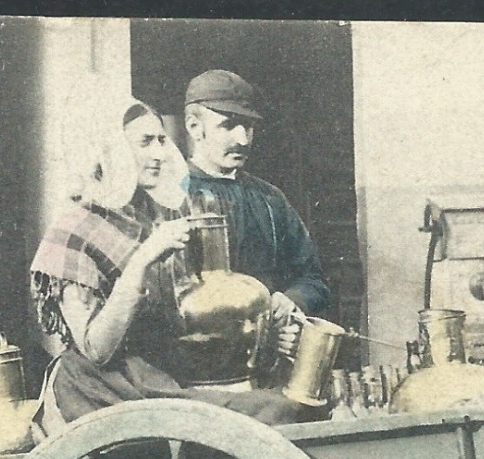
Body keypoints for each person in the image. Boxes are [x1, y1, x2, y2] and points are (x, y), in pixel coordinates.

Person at [29, 99, 300, 426]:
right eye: (145, 142)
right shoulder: (73, 231)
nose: (159, 153)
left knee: (280, 406)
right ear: (110, 149)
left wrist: (268, 327)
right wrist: (144, 257)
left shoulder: (157, 216)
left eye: (161, 140)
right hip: (102, 391)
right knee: (269, 414)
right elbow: (96, 349)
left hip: (160, 378)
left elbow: (188, 320)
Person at [181, 69, 333, 364]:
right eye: (229, 125)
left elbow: (314, 280)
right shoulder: (171, 198)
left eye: (248, 127)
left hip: (267, 359)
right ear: (194, 126)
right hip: (196, 365)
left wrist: (292, 301)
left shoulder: (269, 199)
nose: (242, 139)